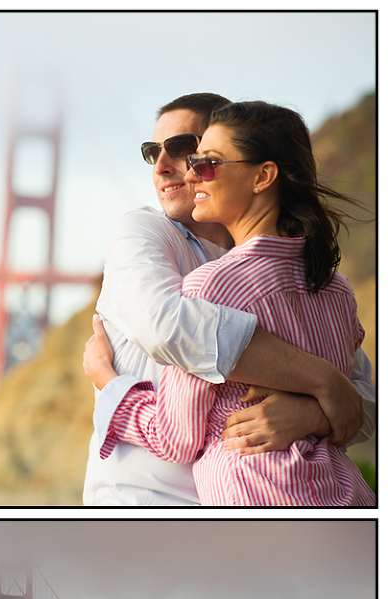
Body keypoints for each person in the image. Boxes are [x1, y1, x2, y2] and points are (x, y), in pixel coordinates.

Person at [83, 92, 376, 506]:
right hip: (337, 499)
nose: (172, 167)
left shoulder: (211, 286)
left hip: (250, 506)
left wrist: (107, 383)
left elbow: (176, 433)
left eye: (193, 154)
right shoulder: (333, 286)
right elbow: (352, 397)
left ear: (261, 175)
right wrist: (324, 390)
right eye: (152, 152)